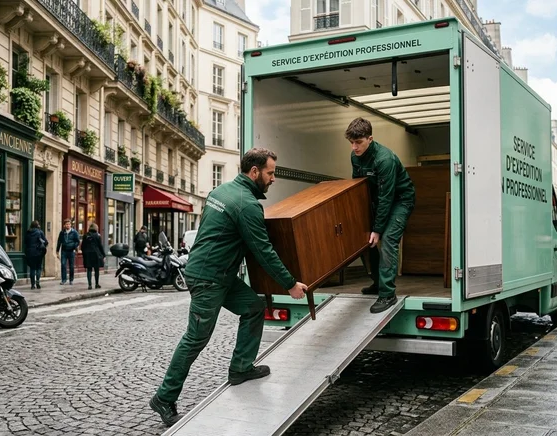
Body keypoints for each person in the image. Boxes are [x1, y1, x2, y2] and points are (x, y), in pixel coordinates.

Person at [149, 148, 308, 427]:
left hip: (219, 275)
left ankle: (240, 368)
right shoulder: (246, 204)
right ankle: (164, 397)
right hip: (209, 278)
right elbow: (263, 251)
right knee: (196, 338)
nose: (274, 179)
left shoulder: (219, 192)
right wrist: (290, 284)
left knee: (254, 307)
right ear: (255, 171)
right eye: (271, 173)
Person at [347, 117, 416, 313]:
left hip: (400, 200)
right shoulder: (355, 156)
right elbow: (358, 188)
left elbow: (387, 196)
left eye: (358, 142)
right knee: (365, 239)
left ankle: (387, 295)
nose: (354, 147)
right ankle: (378, 283)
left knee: (386, 239)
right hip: (380, 200)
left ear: (370, 138)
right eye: (351, 142)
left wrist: (377, 229)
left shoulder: (384, 159)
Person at [81, 223, 106, 289]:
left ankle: (89, 285)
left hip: (88, 254)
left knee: (89, 269)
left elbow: (82, 246)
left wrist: (84, 253)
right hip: (96, 254)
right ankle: (97, 284)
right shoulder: (98, 236)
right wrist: (104, 255)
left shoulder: (85, 235)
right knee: (96, 269)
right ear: (96, 228)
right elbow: (100, 246)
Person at [24, 221, 48, 289]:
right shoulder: (40, 232)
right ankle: (37, 282)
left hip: (30, 252)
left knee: (32, 268)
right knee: (38, 268)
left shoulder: (28, 232)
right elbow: (45, 242)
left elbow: (25, 242)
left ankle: (32, 284)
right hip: (38, 252)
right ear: (38, 225)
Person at [56, 219, 80, 285]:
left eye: (69, 224)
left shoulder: (74, 232)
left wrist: (74, 246)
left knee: (71, 266)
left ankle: (71, 279)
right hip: (64, 251)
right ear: (64, 225)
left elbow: (78, 241)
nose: (68, 225)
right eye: (66, 224)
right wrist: (57, 251)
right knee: (63, 265)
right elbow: (59, 242)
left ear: (70, 225)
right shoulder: (62, 233)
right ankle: (63, 279)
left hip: (71, 251)